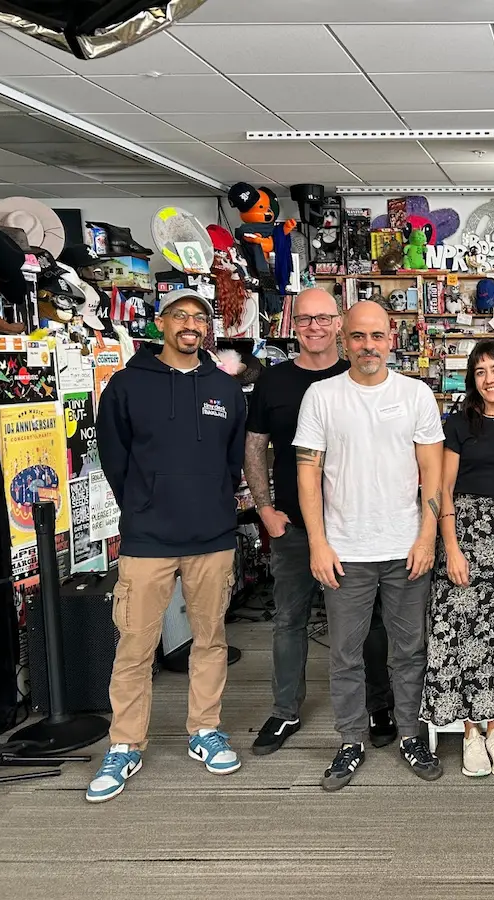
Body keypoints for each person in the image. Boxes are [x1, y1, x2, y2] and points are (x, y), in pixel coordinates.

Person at [88, 288, 246, 803]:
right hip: (147, 538)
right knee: (134, 646)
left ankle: (205, 729)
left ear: (208, 329)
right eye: (180, 315)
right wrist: (144, 501)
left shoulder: (228, 389)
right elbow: (115, 458)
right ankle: (126, 743)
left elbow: (231, 462)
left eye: (200, 318)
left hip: (212, 537)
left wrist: (214, 502)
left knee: (210, 640)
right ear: (161, 323)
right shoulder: (127, 386)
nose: (190, 325)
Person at [293, 300, 444, 790]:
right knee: (345, 654)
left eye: (377, 336)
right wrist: (317, 542)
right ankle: (352, 740)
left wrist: (427, 536)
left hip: (405, 549)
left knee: (409, 650)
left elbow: (433, 474)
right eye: (358, 337)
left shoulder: (417, 393)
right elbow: (308, 473)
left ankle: (410, 735)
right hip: (344, 551)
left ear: (390, 338)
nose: (368, 346)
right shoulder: (321, 396)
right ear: (344, 339)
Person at [244, 288, 395, 756]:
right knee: (289, 618)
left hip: (354, 529)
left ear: (340, 326)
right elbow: (255, 446)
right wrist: (265, 509)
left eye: (323, 318)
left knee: (367, 623)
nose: (314, 327)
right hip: (294, 526)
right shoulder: (274, 382)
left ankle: (378, 705)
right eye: (305, 319)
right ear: (293, 325)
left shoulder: (363, 374)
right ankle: (286, 709)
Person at [421, 340, 494, 777]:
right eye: (481, 371)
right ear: (473, 379)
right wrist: (449, 547)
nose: (490, 378)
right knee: (459, 636)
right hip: (464, 533)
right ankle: (469, 732)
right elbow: (442, 491)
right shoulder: (459, 424)